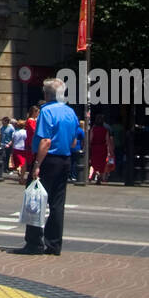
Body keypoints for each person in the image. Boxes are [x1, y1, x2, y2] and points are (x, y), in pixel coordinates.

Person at [16, 78, 79, 257]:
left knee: (35, 200)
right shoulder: (70, 112)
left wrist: (37, 164)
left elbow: (45, 140)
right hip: (65, 159)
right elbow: (74, 141)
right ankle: (54, 244)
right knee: (57, 204)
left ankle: (34, 243)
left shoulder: (46, 111)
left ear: (46, 94)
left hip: (47, 159)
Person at [89, 113, 114, 184]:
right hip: (103, 148)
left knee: (94, 162)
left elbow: (90, 139)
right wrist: (110, 150)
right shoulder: (105, 130)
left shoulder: (93, 129)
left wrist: (89, 146)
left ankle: (96, 173)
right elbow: (107, 141)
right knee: (102, 163)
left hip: (95, 147)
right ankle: (100, 175)